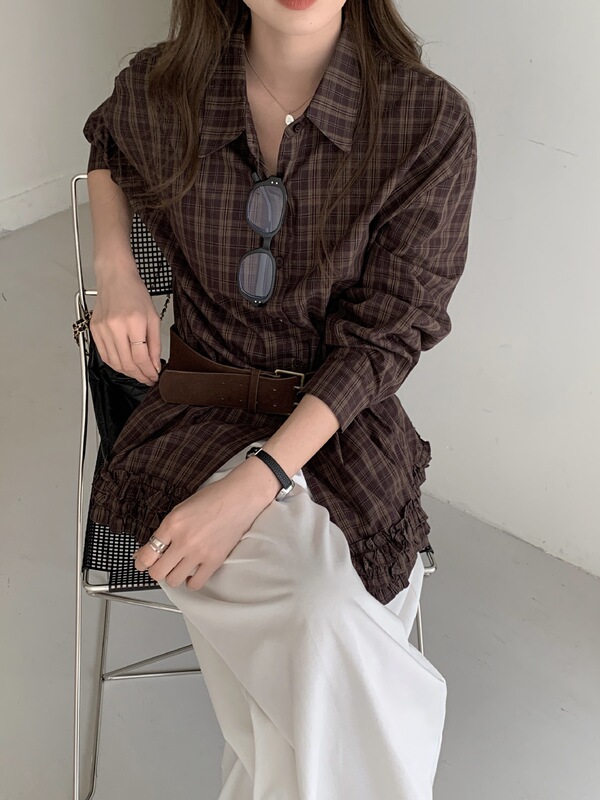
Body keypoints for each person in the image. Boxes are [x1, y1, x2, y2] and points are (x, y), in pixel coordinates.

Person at [82, 1, 477, 797]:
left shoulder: (426, 122)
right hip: (194, 419)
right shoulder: (167, 90)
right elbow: (107, 145)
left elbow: (385, 339)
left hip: (344, 426)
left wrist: (250, 487)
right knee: (323, 617)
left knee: (316, 634)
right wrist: (115, 270)